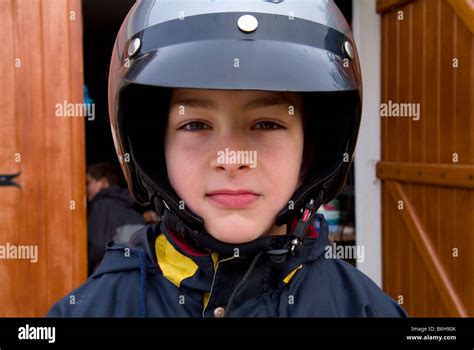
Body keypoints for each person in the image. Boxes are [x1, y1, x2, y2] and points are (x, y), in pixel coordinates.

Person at [48, 0, 406, 317]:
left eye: (266, 123)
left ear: (310, 151)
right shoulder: (87, 311)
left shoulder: (367, 310)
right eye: (196, 124)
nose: (232, 158)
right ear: (156, 151)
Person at [86, 162, 144, 275]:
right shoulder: (130, 206)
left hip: (109, 274)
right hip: (135, 274)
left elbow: (98, 246)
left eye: (88, 182)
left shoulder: (101, 204)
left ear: (103, 183)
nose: (85, 188)